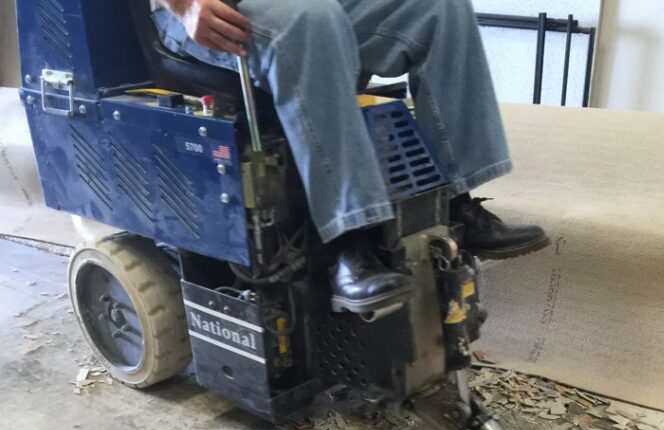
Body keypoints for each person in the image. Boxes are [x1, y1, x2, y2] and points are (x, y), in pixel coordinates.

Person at [153, 0, 548, 312]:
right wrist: (185, 5)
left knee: (439, 7)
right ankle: (348, 243)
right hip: (214, 12)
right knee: (310, 19)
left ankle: (454, 203)